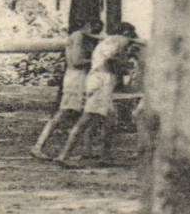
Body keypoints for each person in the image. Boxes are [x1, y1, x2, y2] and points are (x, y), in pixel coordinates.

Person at [54, 23, 141, 168]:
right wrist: (125, 66)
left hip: (100, 81)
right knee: (86, 119)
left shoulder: (107, 41)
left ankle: (105, 155)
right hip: (101, 82)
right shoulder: (119, 40)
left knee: (110, 119)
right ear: (126, 32)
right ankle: (63, 155)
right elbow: (111, 60)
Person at [32, 20, 102, 160]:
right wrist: (98, 61)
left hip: (77, 77)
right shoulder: (79, 37)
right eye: (96, 31)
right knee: (64, 112)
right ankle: (38, 146)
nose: (96, 34)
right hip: (76, 78)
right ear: (88, 26)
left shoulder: (77, 36)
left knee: (84, 112)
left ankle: (86, 149)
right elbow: (76, 61)